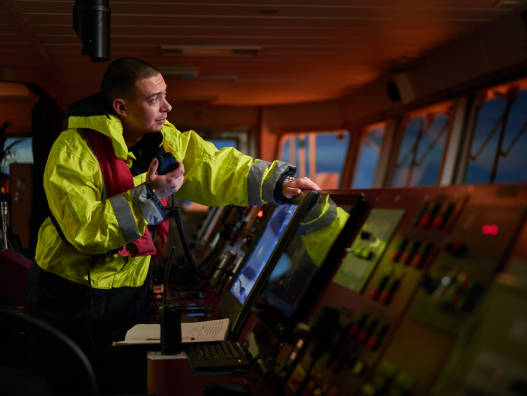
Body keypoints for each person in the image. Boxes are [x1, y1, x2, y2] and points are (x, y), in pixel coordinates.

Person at [24, 57, 321, 392]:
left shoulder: (164, 139)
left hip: (128, 293)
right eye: (154, 99)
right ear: (121, 107)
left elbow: (215, 166)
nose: (167, 106)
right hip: (72, 296)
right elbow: (87, 231)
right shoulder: (73, 150)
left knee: (124, 384)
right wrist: (149, 197)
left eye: (165, 95)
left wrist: (277, 184)